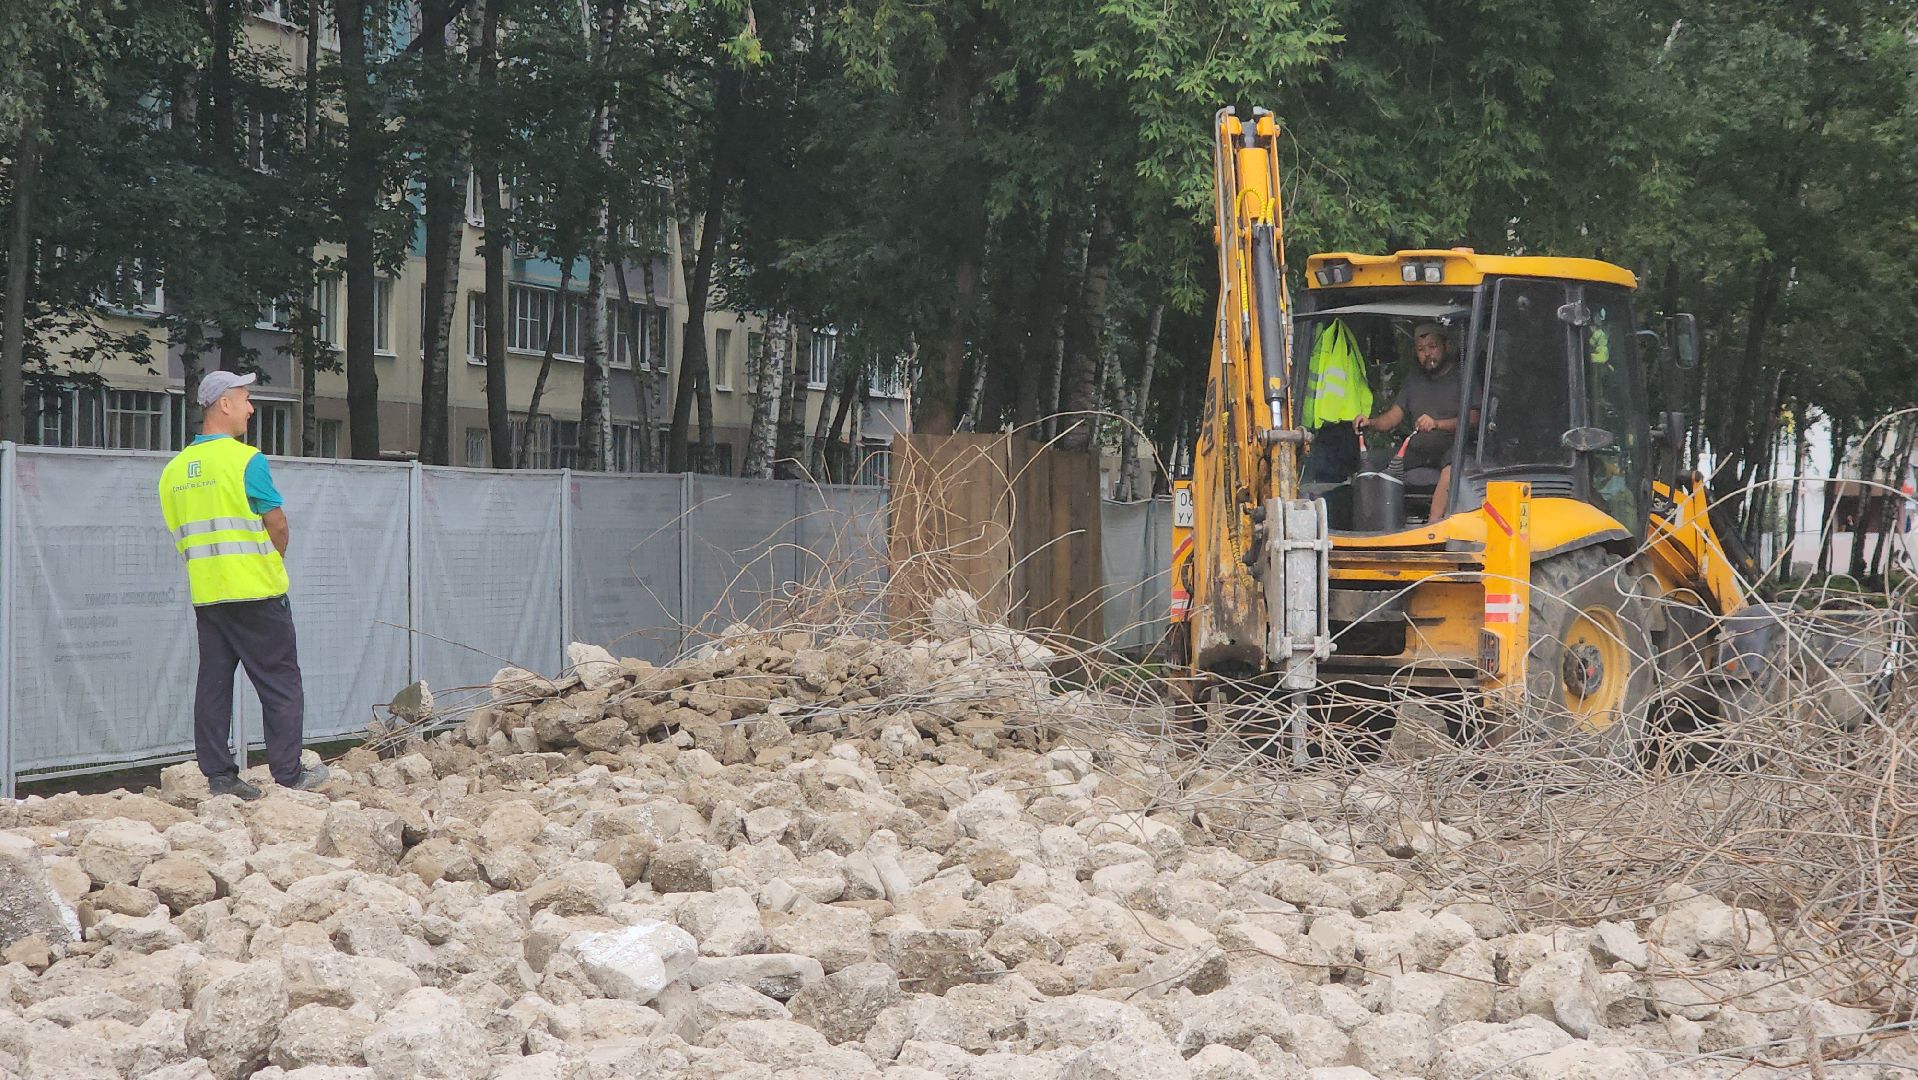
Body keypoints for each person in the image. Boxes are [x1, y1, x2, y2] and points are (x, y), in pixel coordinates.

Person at [157, 371, 327, 800]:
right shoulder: (247, 461)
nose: (251, 408)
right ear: (224, 405)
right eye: (246, 399)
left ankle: (220, 777)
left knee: (214, 683)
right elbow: (277, 523)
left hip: (209, 595)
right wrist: (271, 559)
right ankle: (289, 774)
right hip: (256, 592)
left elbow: (183, 536)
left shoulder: (173, 472)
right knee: (281, 682)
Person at [1356, 322, 1466, 520]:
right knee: (1370, 462)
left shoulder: (1462, 378)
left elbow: (1474, 419)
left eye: (1432, 347)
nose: (1427, 355)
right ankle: (1374, 526)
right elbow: (1392, 417)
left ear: (1446, 346)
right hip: (1417, 451)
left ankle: (1432, 528)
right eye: (1421, 350)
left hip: (1451, 450)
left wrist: (1437, 424)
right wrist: (1369, 423)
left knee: (1452, 467)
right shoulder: (1413, 381)